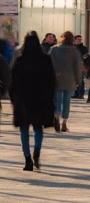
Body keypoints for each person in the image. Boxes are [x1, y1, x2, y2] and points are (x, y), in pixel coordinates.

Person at [11, 32, 54, 172]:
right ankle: (37, 152)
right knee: (37, 128)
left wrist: (14, 100)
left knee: (24, 129)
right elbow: (51, 82)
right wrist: (50, 99)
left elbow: (12, 83)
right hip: (40, 100)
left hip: (23, 100)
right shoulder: (45, 60)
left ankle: (27, 158)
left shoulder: (19, 61)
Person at [49, 31, 83, 133]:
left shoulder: (54, 49)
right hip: (70, 80)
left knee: (57, 101)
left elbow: (48, 64)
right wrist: (78, 81)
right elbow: (78, 67)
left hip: (56, 79)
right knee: (67, 102)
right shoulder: (74, 51)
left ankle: (56, 116)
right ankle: (64, 123)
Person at [72, 35, 89, 99]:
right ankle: (75, 93)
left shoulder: (84, 48)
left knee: (81, 80)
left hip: (80, 66)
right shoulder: (72, 47)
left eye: (80, 39)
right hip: (72, 66)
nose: (80, 40)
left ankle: (81, 94)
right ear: (74, 40)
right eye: (78, 39)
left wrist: (85, 66)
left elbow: (87, 58)